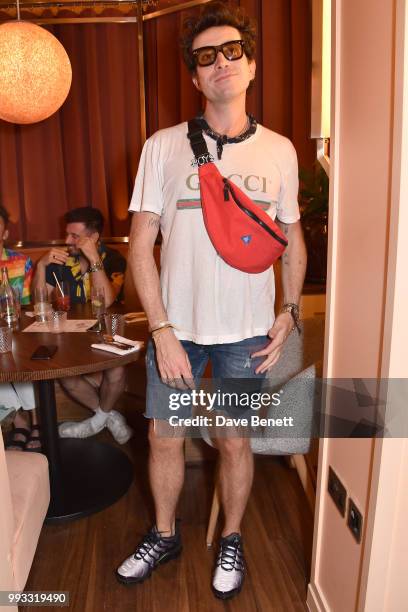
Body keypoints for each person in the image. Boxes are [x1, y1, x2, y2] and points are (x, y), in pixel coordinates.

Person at [116, 1, 306, 600]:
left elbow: (293, 240)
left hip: (247, 332)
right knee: (164, 436)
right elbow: (141, 246)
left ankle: (231, 536)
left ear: (250, 67)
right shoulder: (163, 147)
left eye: (233, 52)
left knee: (233, 439)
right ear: (194, 77)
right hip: (179, 330)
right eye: (206, 58)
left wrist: (291, 309)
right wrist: (162, 330)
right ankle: (165, 532)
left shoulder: (280, 151)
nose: (221, 63)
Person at [32, 206, 132, 444]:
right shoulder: (61, 261)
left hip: (106, 333)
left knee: (117, 370)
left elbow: (106, 301)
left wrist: (94, 258)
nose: (67, 241)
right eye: (67, 234)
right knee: (64, 372)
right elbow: (40, 301)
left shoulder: (114, 259)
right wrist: (41, 267)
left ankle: (96, 422)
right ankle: (108, 417)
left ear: (94, 237)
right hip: (70, 338)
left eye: (74, 236)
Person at [0, 205, 41, 451]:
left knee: (21, 354)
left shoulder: (20, 262)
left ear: (5, 234)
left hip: (16, 330)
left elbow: (26, 308)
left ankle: (36, 421)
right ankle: (19, 420)